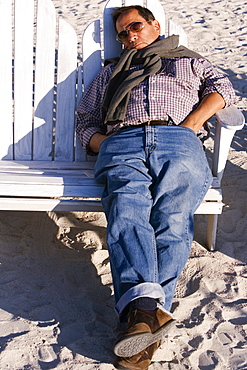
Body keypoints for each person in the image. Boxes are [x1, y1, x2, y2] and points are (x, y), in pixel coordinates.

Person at [76, 5, 236, 370]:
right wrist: (108, 144)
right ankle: (148, 315)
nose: (129, 35)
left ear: (155, 25)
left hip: (177, 137)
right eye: (121, 33)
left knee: (172, 215)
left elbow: (223, 90)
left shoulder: (188, 61)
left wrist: (190, 126)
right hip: (122, 141)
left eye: (135, 26)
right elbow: (84, 120)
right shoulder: (110, 73)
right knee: (126, 211)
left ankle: (140, 316)